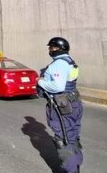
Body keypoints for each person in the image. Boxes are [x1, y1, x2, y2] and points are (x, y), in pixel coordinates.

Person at [37, 37, 83, 173]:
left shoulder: (59, 64)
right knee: (72, 136)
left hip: (62, 106)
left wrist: (40, 82)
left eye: (50, 47)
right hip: (73, 103)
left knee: (64, 140)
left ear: (56, 48)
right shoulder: (70, 61)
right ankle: (76, 165)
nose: (49, 50)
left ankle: (70, 169)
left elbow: (57, 86)